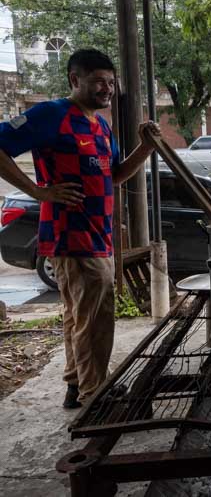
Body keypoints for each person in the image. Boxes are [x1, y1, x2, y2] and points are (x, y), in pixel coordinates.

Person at [0, 48, 161, 409]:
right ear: (75, 80)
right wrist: (37, 191)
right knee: (97, 318)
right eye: (97, 82)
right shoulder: (51, 115)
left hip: (98, 235)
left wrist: (146, 148)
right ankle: (95, 396)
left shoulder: (99, 125)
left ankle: (78, 385)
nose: (106, 88)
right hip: (69, 235)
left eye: (110, 82)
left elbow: (115, 175)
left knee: (79, 316)